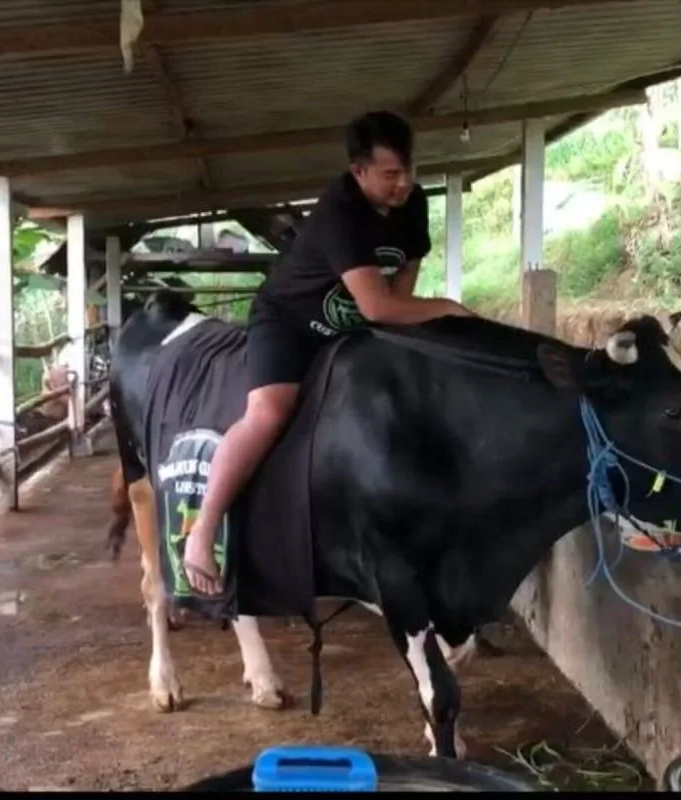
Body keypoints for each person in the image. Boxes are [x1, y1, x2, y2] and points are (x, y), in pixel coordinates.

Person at [181, 110, 474, 597]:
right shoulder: (340, 212)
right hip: (290, 320)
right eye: (389, 175)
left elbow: (401, 288)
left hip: (353, 321)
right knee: (269, 413)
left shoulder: (414, 204)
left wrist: (423, 326)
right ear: (358, 171)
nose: (403, 184)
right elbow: (379, 305)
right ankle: (203, 529)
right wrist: (452, 310)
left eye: (409, 171)